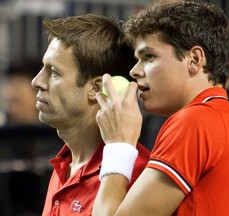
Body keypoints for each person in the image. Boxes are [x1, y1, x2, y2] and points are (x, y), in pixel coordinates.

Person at [93, 1, 229, 215]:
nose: (134, 71)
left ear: (194, 59)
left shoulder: (196, 120)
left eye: (149, 57)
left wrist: (118, 144)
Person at [31, 14, 150, 215]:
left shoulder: (136, 174)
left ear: (97, 88)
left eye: (53, 72)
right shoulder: (65, 163)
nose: (37, 81)